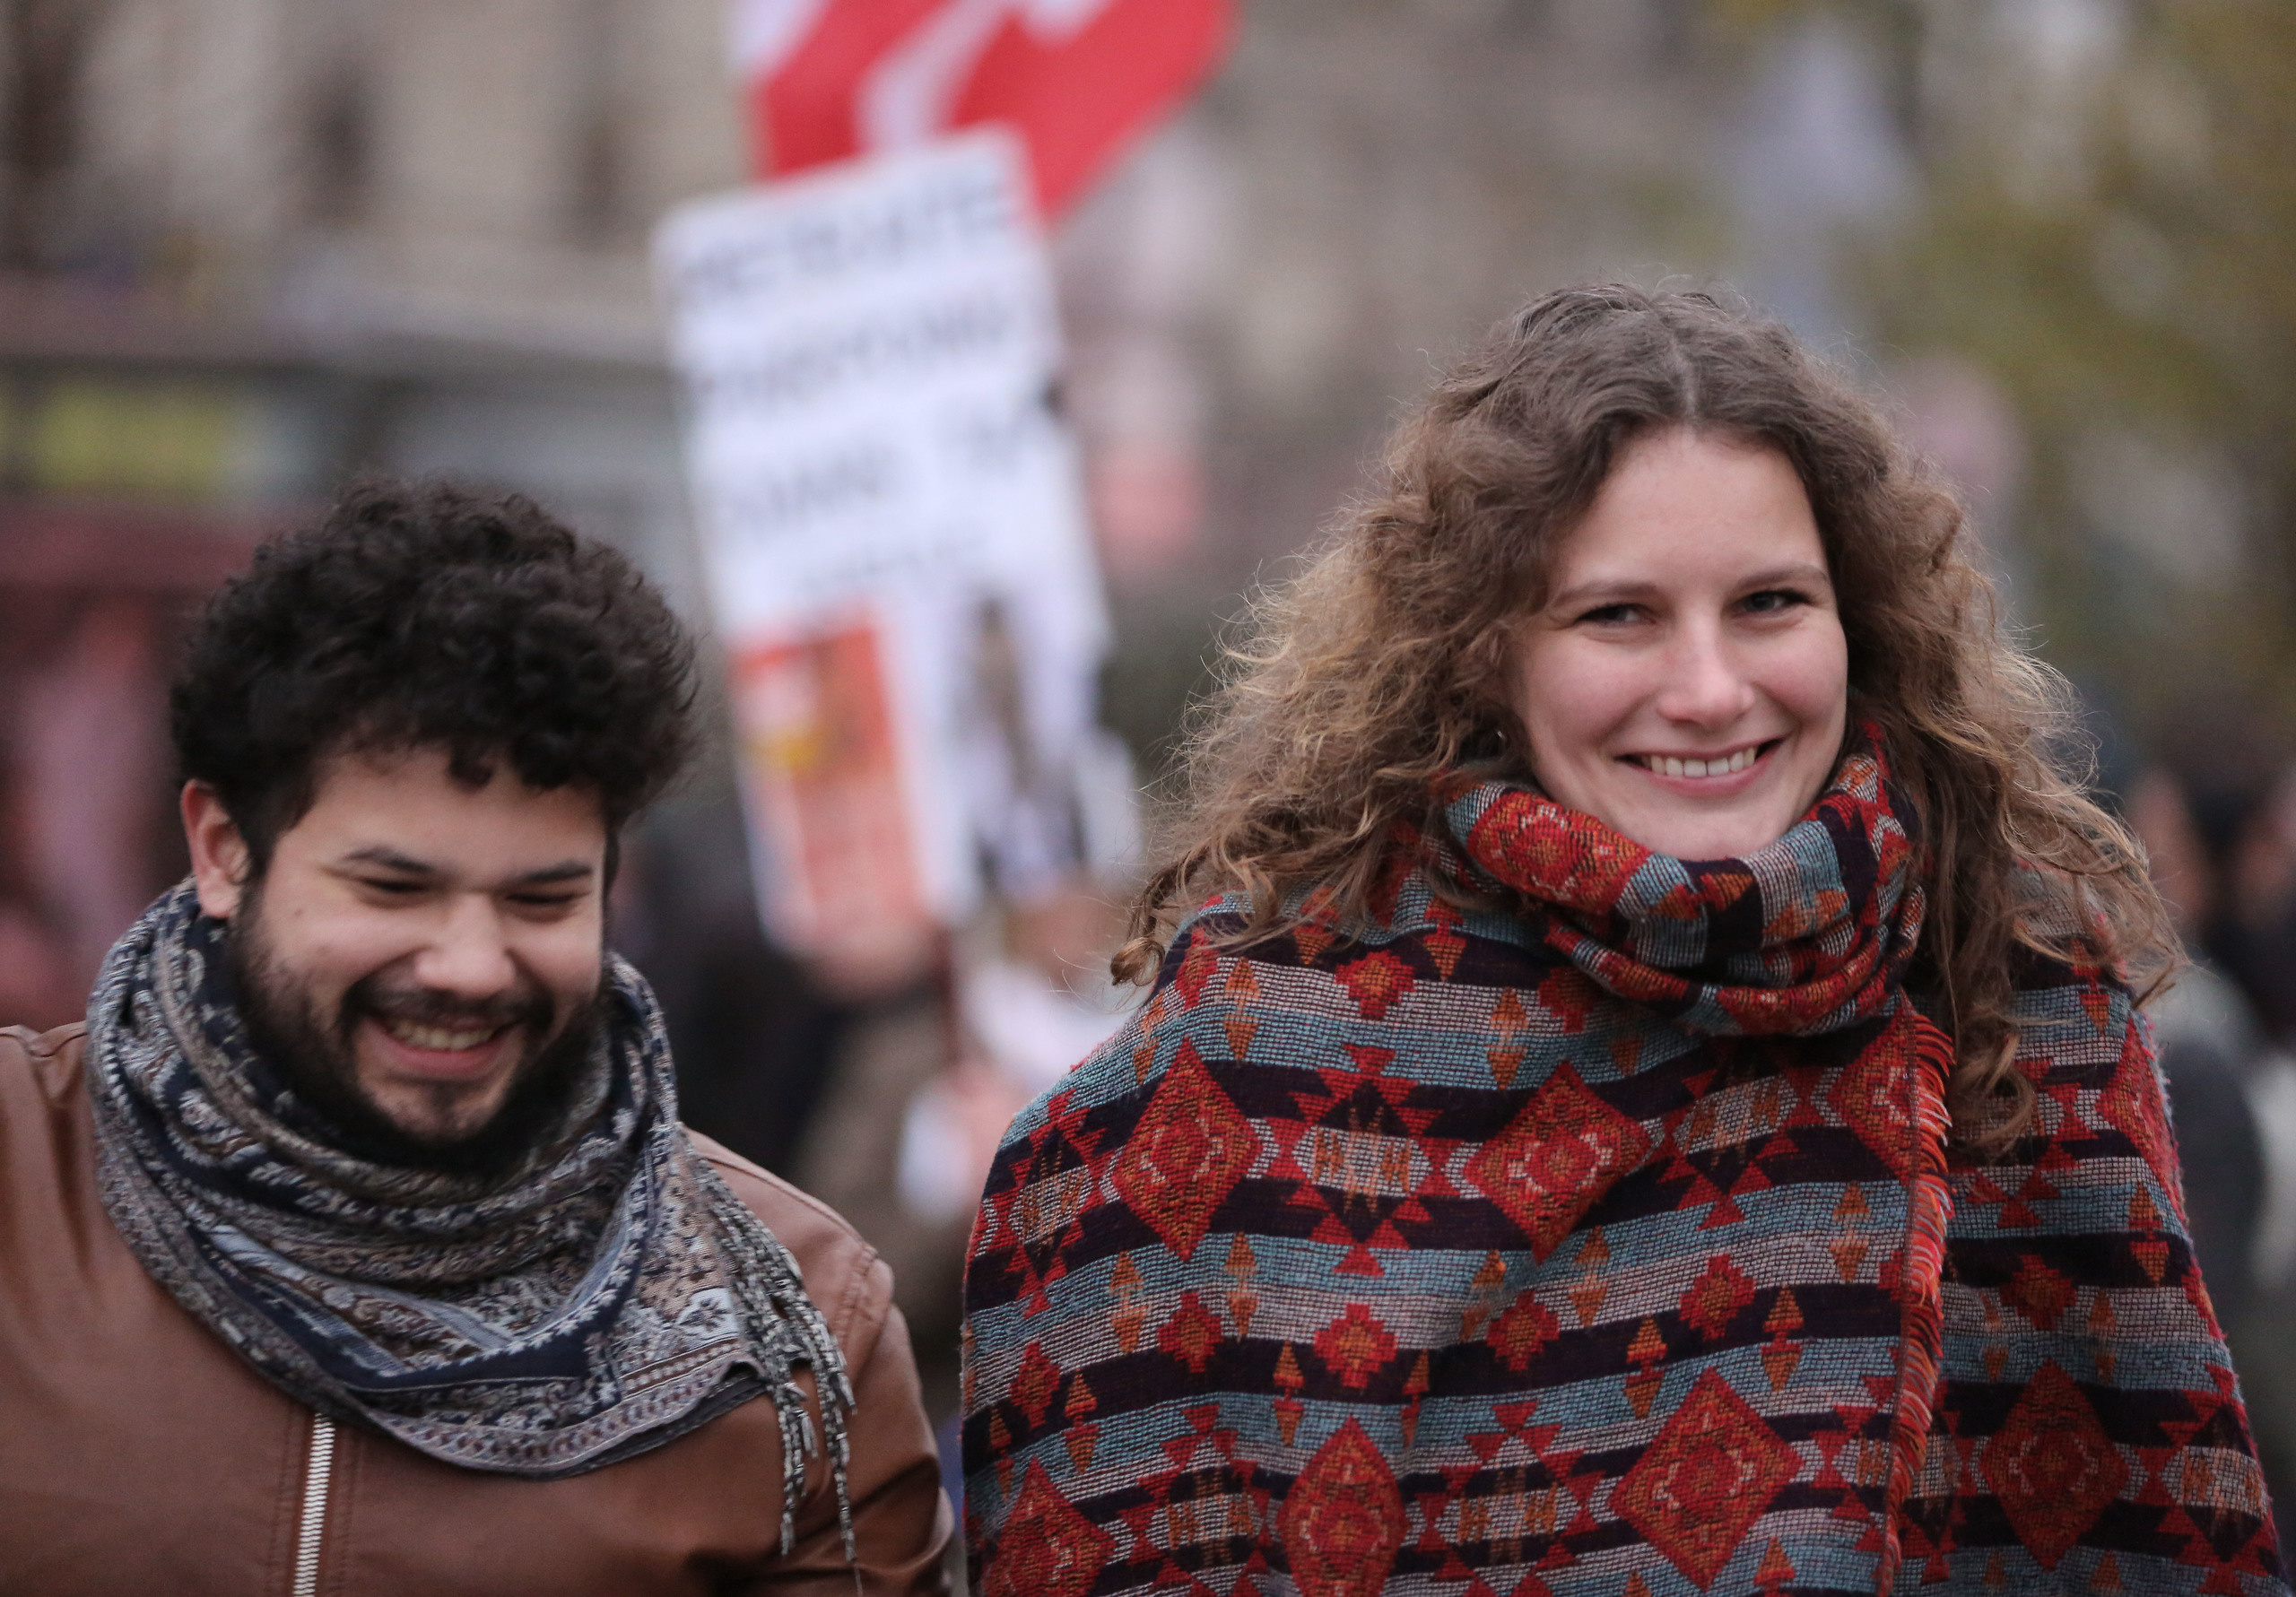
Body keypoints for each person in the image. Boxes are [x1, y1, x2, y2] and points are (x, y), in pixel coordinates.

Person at [959, 288, 2288, 1595]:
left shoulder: (2017, 1002)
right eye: (1619, 615)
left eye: (1769, 602)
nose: (1709, 689)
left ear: (1858, 617)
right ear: (1485, 652)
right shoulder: (1242, 1074)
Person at [0, 482, 950, 1595]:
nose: (470, 964)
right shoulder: (21, 1177)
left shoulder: (798, 1329)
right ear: (222, 849)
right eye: (394, 888)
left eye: (540, 900)